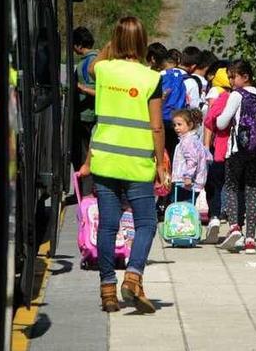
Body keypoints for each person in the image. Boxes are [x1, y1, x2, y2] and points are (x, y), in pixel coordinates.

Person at [79, 16, 165, 314]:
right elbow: (156, 126)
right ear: (143, 42)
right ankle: (133, 275)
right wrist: (161, 164)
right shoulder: (151, 78)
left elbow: (92, 65)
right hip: (137, 162)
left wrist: (114, 42)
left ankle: (107, 292)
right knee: (146, 223)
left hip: (104, 160)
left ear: (115, 41)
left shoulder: (103, 70)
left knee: (108, 226)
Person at [216, 60, 256, 255]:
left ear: (245, 77)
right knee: (253, 190)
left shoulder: (237, 95)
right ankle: (251, 239)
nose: (230, 80)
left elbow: (221, 123)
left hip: (238, 149)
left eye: (233, 76)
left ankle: (235, 227)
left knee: (231, 186)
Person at [202, 67, 232, 243]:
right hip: (236, 150)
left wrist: (206, 146)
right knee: (233, 185)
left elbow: (210, 124)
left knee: (213, 183)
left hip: (218, 148)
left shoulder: (217, 95)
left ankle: (214, 215)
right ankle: (233, 222)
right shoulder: (241, 96)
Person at [72, 27, 99, 177]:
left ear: (78, 45)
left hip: (86, 116)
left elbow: (96, 90)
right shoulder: (97, 59)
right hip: (90, 115)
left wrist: (80, 88)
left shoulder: (88, 63)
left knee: (84, 154)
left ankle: (86, 191)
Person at [170, 108, 209, 203]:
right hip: (188, 182)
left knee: (183, 207)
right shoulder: (192, 140)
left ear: (190, 125)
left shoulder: (188, 141)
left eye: (179, 125)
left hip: (186, 183)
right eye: (174, 125)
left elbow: (192, 160)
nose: (176, 128)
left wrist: (188, 176)